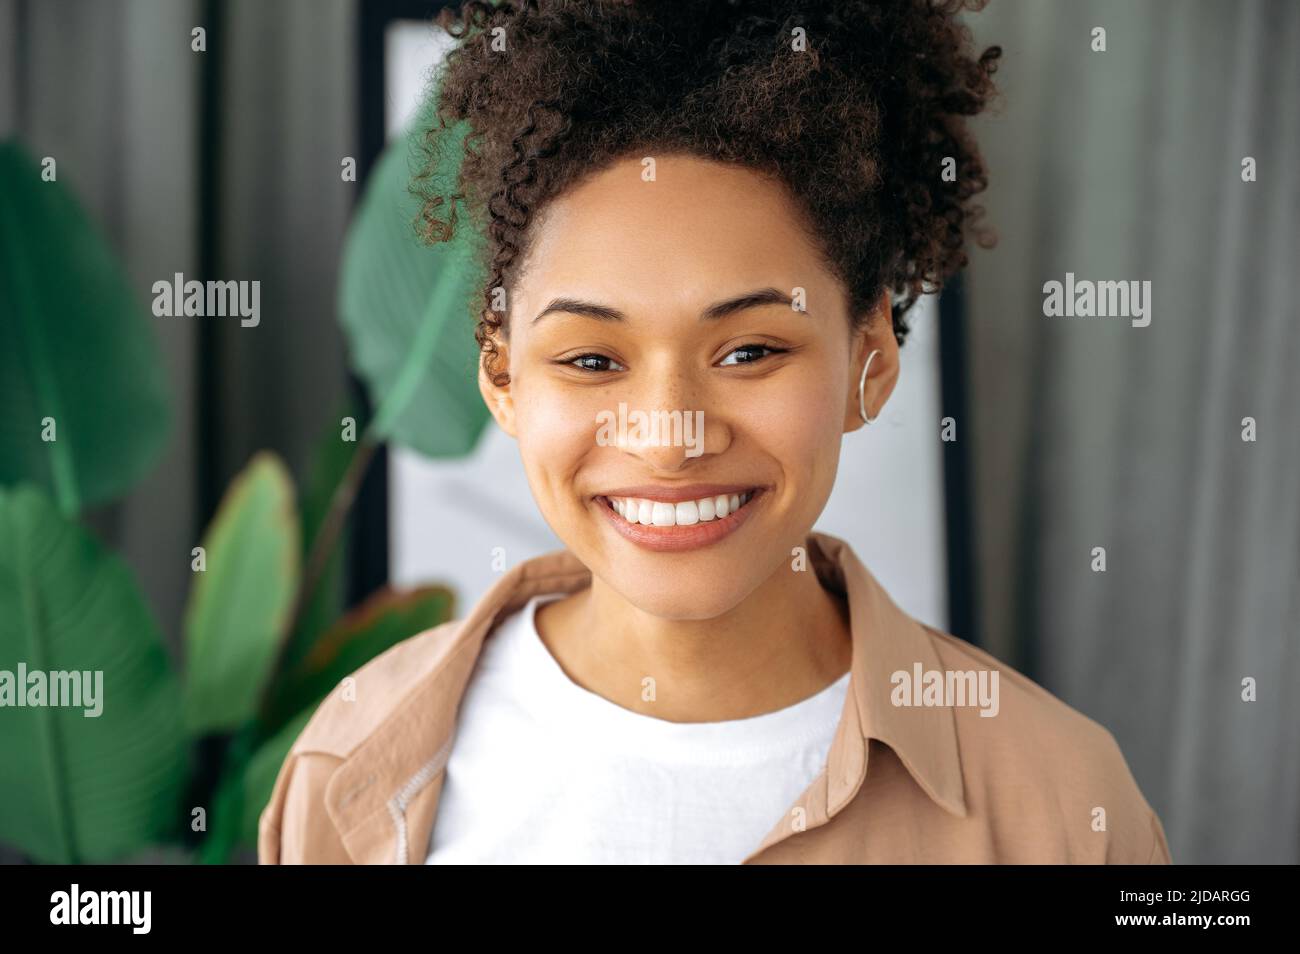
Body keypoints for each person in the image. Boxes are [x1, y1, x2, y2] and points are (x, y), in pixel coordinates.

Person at [259, 0, 1171, 865]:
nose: (668, 438)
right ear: (502, 378)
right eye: (590, 360)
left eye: (749, 351)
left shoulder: (1059, 804)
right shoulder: (351, 765)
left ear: (871, 362)